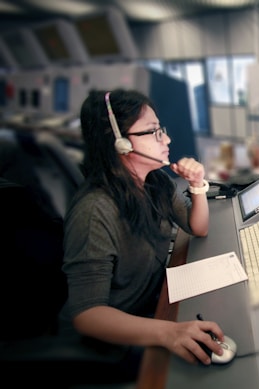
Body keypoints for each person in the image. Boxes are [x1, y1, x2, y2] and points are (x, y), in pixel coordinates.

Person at [58, 89, 226, 382]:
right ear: (120, 143)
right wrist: (169, 332)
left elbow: (197, 227)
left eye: (162, 130)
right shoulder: (95, 210)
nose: (167, 140)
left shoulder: (155, 182)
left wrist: (197, 185)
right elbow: (87, 315)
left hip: (148, 311)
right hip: (107, 342)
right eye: (154, 132)